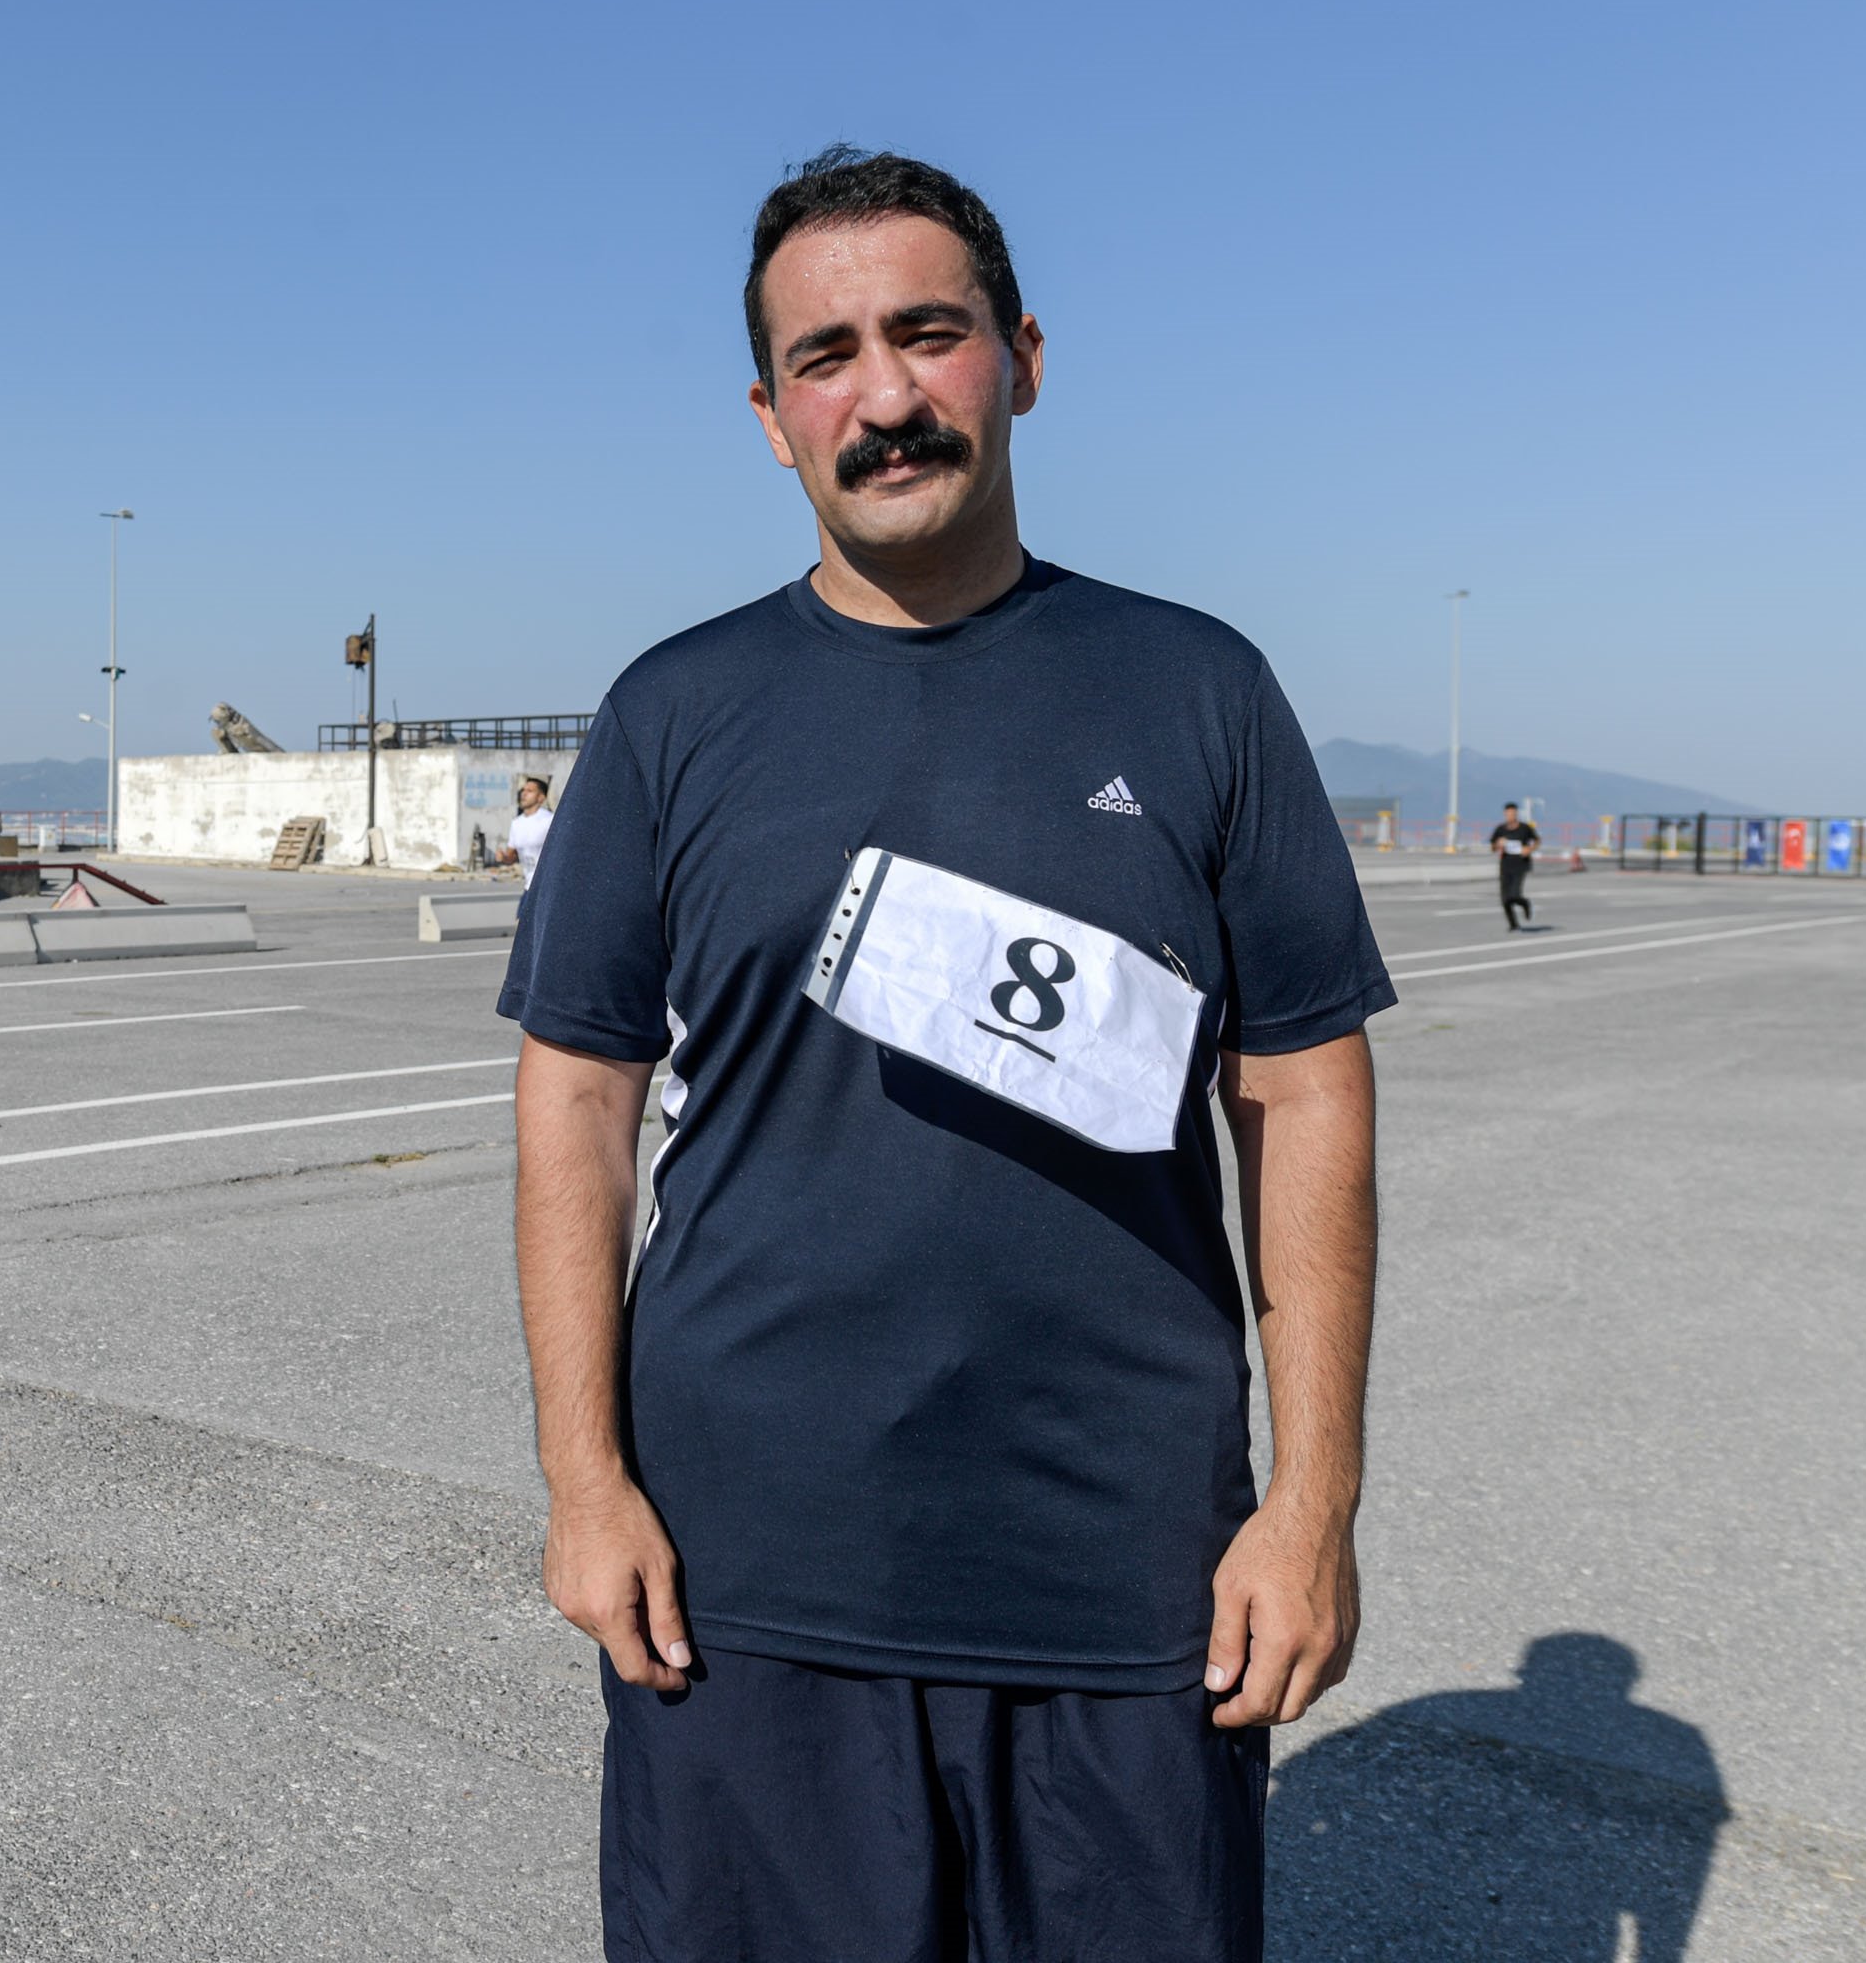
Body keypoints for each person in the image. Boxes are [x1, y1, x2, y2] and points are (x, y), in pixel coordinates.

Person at [502, 147, 1393, 1962]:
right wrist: (585, 1487)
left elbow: (1303, 1090)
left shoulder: (1198, 690)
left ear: (1023, 359)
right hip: (745, 1579)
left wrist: (1313, 1504)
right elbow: (578, 1101)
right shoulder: (675, 714)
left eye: (930, 334)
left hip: (1128, 1574)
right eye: (825, 357)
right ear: (772, 420)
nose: (886, 396)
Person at [496, 774, 555, 884]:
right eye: (523, 790)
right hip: (529, 884)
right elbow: (511, 857)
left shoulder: (550, 820)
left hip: (547, 884)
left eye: (530, 791)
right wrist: (504, 857)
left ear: (541, 798)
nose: (524, 793)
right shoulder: (516, 823)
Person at [1490, 801, 1541, 929]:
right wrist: (1498, 844)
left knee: (1515, 895)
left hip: (1520, 865)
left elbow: (1537, 840)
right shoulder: (1500, 829)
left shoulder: (1524, 828)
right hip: (1505, 866)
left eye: (1513, 813)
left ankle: (1525, 903)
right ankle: (1513, 924)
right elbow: (1493, 847)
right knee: (1505, 898)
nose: (1510, 816)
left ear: (1516, 813)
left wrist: (1529, 849)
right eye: (1508, 813)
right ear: (1505, 814)